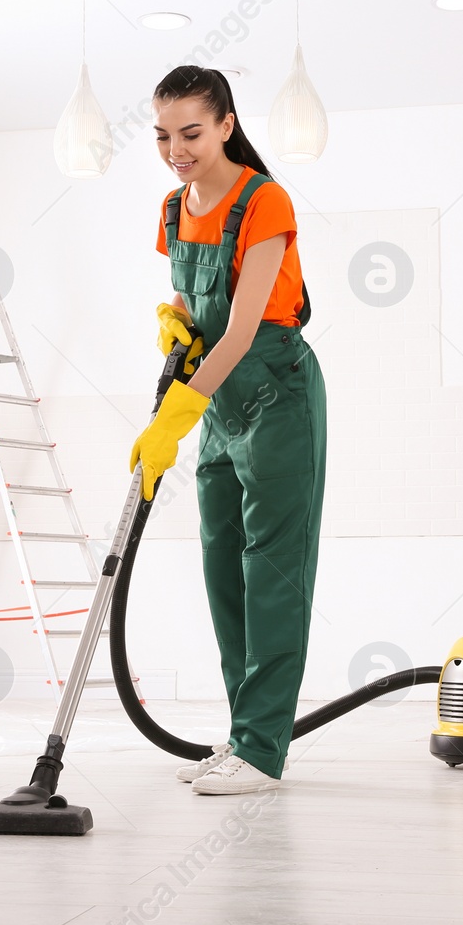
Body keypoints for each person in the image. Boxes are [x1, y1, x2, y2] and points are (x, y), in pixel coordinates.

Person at [131, 66, 326, 796]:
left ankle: (264, 751)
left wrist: (173, 415)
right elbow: (191, 304)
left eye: (190, 132)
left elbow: (242, 330)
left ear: (225, 124)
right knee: (224, 574)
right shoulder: (173, 207)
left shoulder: (262, 200)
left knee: (271, 575)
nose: (175, 148)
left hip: (276, 396)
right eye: (161, 134)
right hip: (217, 404)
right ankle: (245, 734)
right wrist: (172, 324)